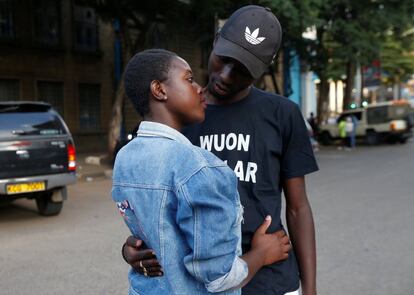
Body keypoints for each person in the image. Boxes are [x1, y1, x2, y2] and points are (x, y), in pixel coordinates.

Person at [122, 6, 319, 295]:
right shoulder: (177, 118)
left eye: (242, 70)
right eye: (224, 60)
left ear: (263, 69)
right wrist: (132, 247)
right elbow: (156, 206)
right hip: (200, 283)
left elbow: (298, 207)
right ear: (216, 41)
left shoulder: (283, 114)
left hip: (272, 278)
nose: (226, 76)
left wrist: (311, 289)